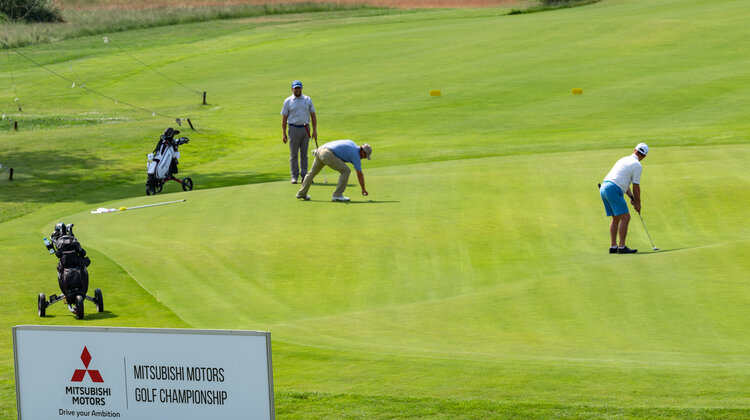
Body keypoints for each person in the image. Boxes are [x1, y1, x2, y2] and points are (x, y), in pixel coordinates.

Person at [599, 143, 648, 254]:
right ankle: (621, 247)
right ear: (644, 156)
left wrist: (631, 198)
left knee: (616, 217)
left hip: (604, 187)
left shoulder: (623, 159)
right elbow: (636, 187)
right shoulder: (637, 165)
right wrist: (638, 204)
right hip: (613, 189)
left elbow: (623, 183)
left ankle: (613, 246)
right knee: (626, 217)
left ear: (634, 150)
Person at [296, 140, 371, 202]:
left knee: (312, 173)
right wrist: (363, 189)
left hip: (321, 150)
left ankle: (302, 193)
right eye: (365, 156)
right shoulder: (356, 155)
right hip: (328, 153)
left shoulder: (352, 143)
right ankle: (337, 195)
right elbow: (360, 174)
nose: (364, 158)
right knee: (346, 171)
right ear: (362, 152)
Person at [281, 80, 317, 184]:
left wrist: (315, 131)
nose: (297, 90)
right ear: (292, 89)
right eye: (295, 88)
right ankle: (294, 176)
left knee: (304, 154)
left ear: (301, 88)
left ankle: (305, 175)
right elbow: (284, 118)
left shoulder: (307, 99)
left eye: (299, 88)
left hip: (305, 128)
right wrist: (284, 133)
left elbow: (313, 116)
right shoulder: (288, 101)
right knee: (294, 154)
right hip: (293, 128)